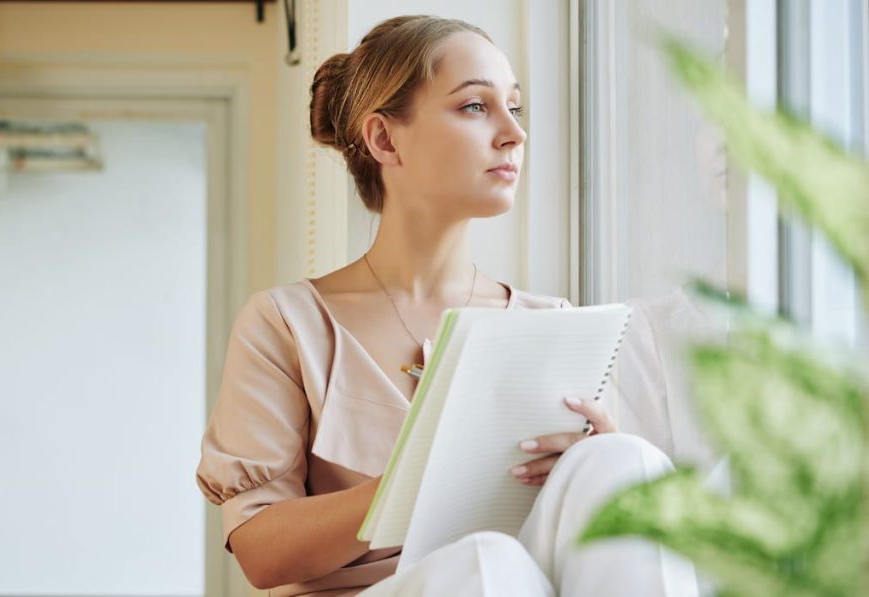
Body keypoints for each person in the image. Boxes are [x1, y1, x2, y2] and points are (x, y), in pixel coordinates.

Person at [196, 15, 699, 596]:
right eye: (475, 107)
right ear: (385, 139)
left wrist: (595, 463)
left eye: (515, 108)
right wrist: (413, 485)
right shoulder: (287, 323)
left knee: (623, 464)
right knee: (487, 563)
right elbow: (260, 551)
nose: (514, 133)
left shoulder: (554, 324)